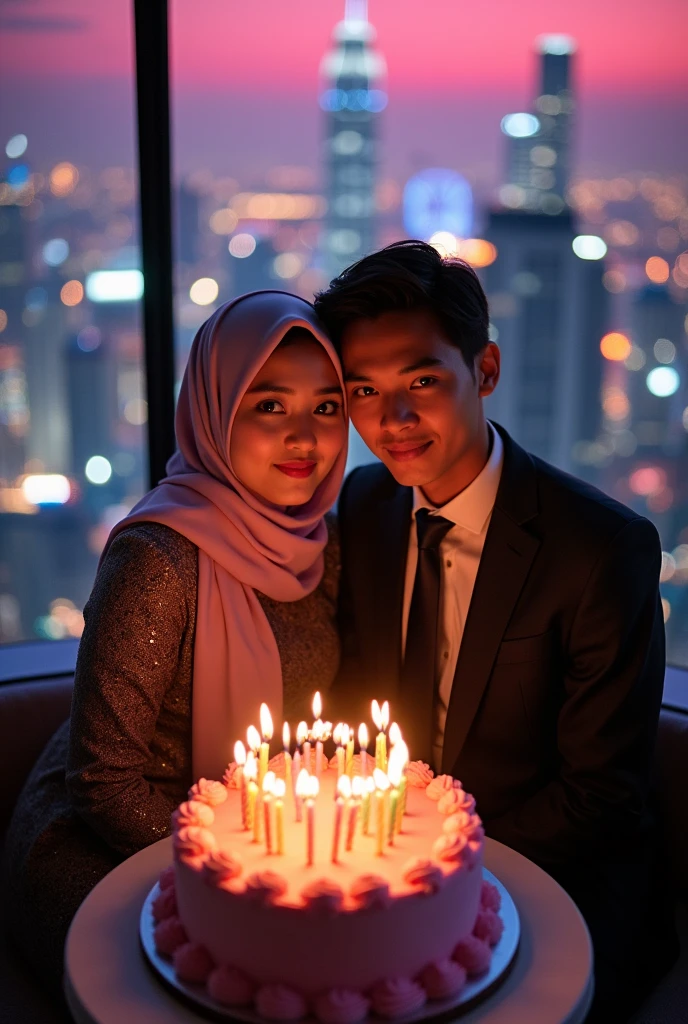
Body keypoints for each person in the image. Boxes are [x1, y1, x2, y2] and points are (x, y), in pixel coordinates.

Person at [314, 240, 677, 1022]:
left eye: (422, 380)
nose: (393, 418)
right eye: (363, 391)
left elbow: (600, 796)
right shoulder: (366, 505)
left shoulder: (599, 549)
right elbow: (355, 700)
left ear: (485, 371)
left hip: (558, 881)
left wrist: (433, 875)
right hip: (393, 876)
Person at [3, 290, 347, 994]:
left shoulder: (322, 547)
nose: (305, 438)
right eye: (270, 405)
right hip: (110, 845)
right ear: (216, 411)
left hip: (257, 839)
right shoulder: (161, 560)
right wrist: (232, 873)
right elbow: (102, 781)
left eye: (327, 408)